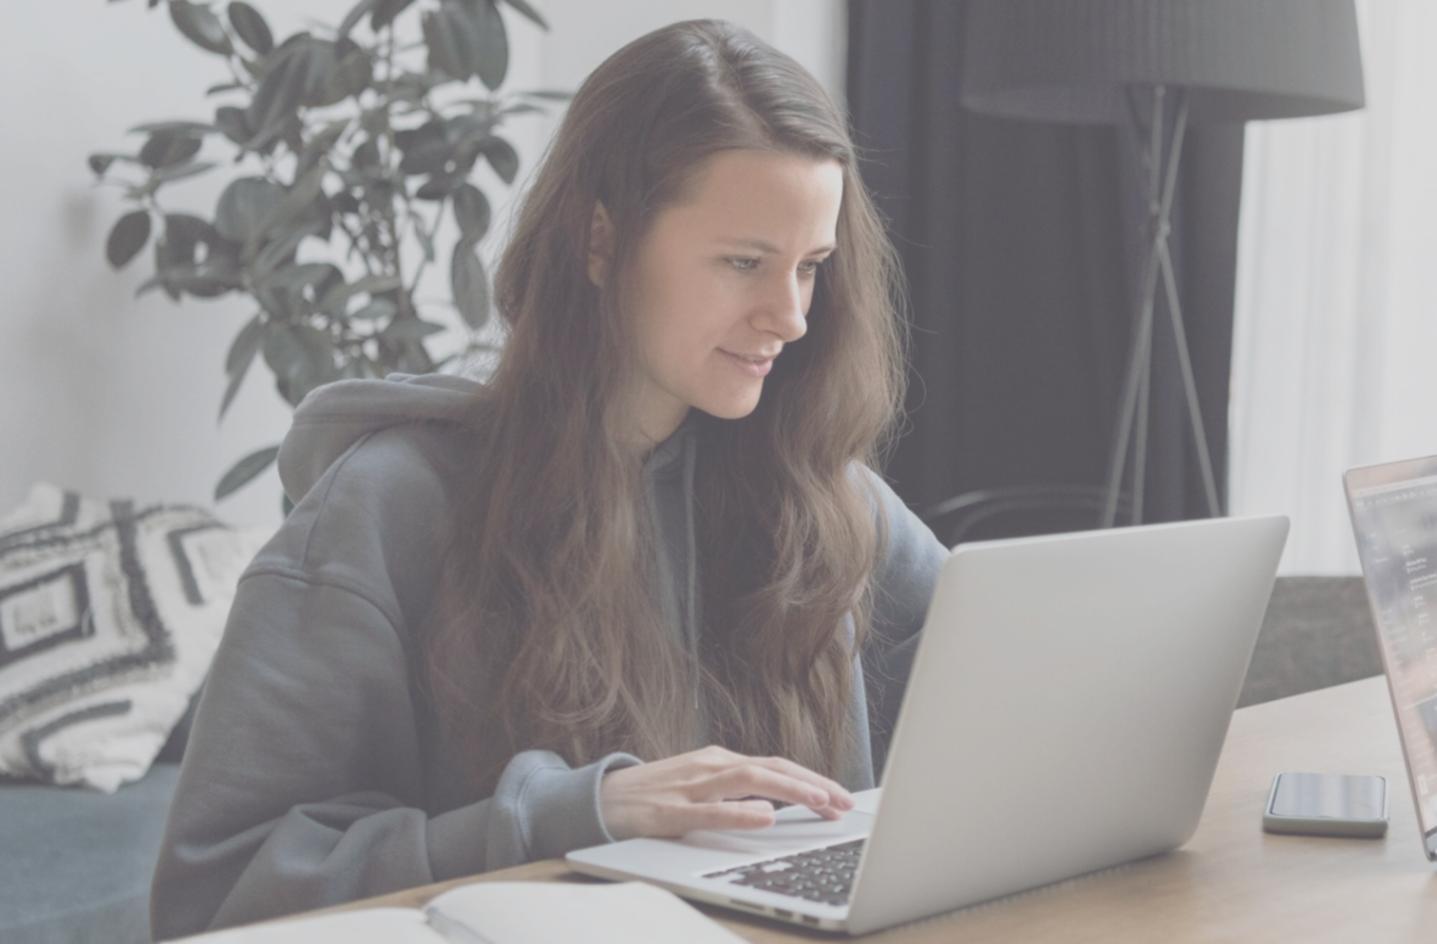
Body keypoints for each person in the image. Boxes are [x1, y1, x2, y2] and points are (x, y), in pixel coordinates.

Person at [150, 17, 947, 938]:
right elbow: (216, 892)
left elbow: (1000, 684)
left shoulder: (824, 496)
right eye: (743, 263)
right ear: (599, 242)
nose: (792, 316)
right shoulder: (387, 509)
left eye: (812, 268)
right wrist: (579, 815)